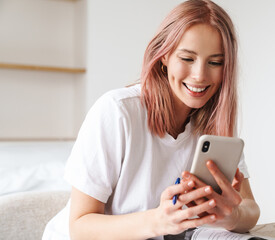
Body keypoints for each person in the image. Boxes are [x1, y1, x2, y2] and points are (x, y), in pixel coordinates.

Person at [43, 0, 260, 239]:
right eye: (187, 58)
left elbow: (250, 208)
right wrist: (158, 221)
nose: (200, 75)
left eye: (215, 62)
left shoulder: (215, 122)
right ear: (164, 56)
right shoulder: (118, 111)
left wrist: (232, 216)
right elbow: (79, 227)